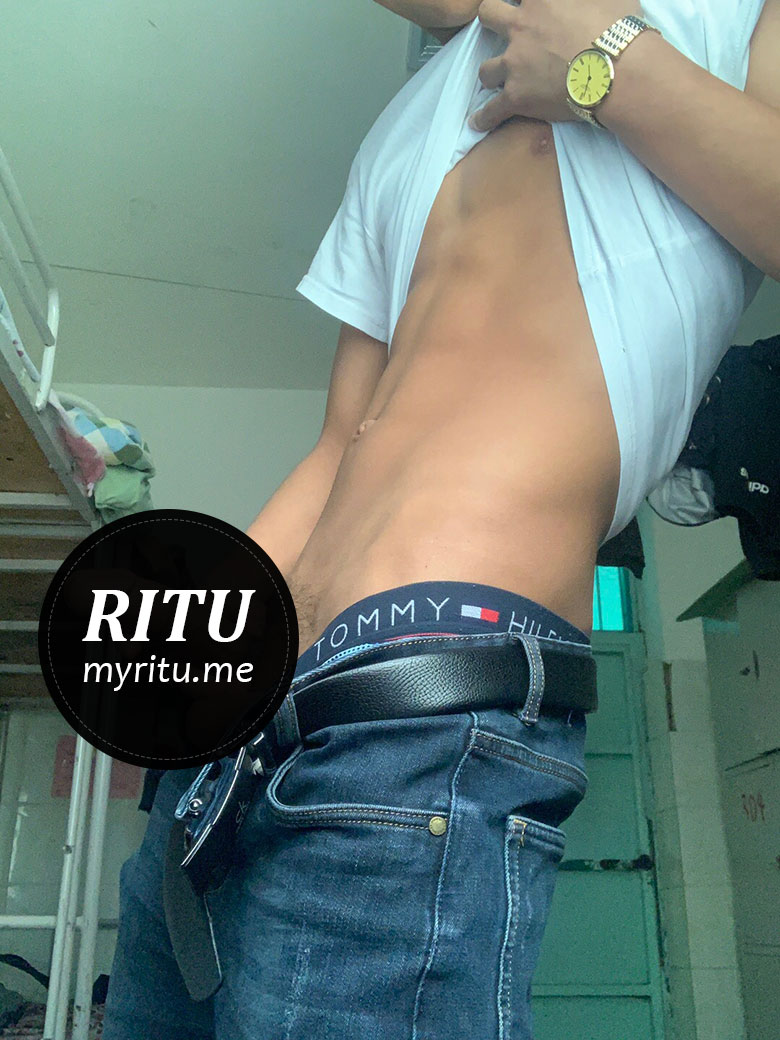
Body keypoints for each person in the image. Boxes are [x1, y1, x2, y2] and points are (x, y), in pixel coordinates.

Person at [103, 1, 779, 1037]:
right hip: (238, 727)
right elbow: (339, 445)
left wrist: (607, 67)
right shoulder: (403, 125)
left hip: (423, 702)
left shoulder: (724, 14)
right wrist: (196, 672)